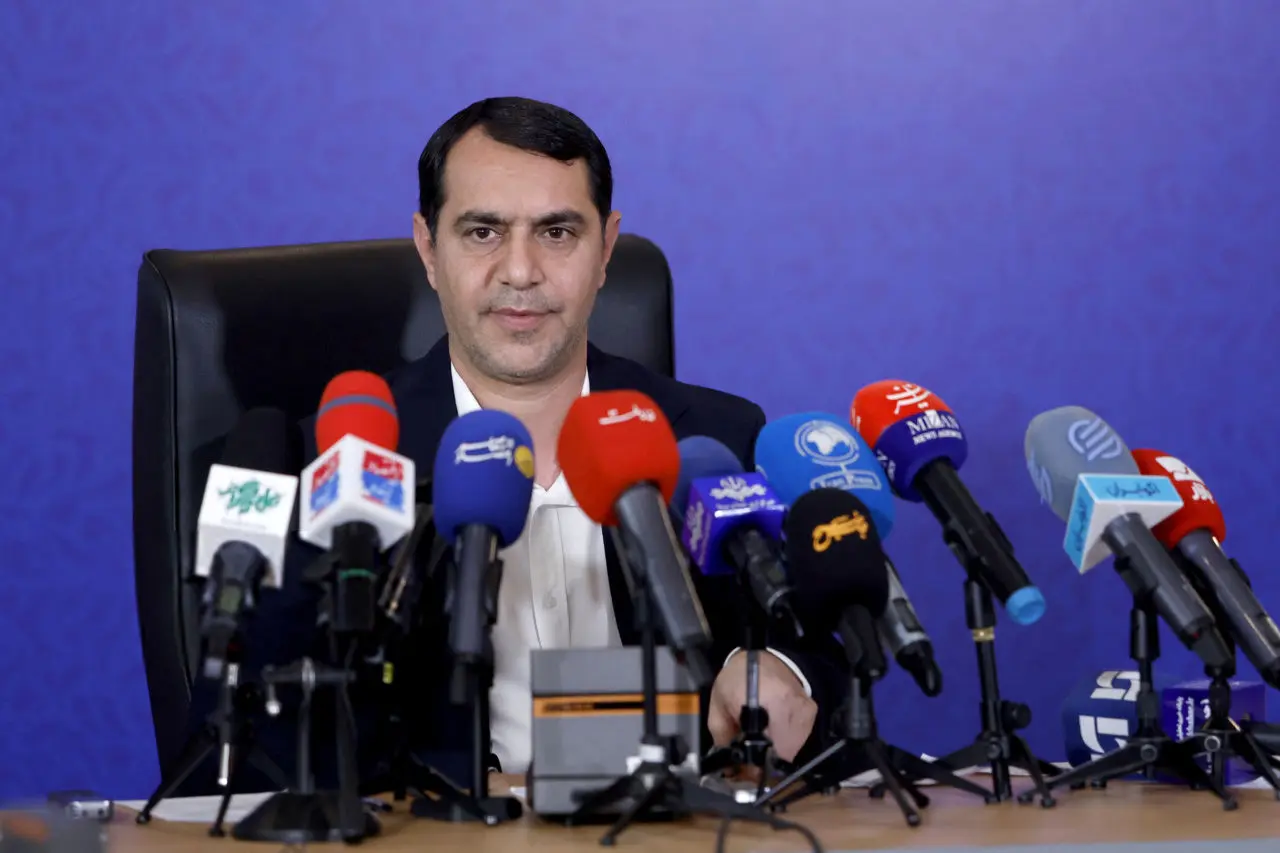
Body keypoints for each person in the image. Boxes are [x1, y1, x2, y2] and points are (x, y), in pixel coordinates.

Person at [180, 97, 848, 794]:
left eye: (557, 232)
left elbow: (829, 666)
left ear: (606, 249)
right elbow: (236, 743)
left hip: (680, 825)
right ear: (428, 248)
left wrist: (786, 674)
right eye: (482, 232)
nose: (521, 271)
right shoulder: (321, 466)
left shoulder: (716, 439)